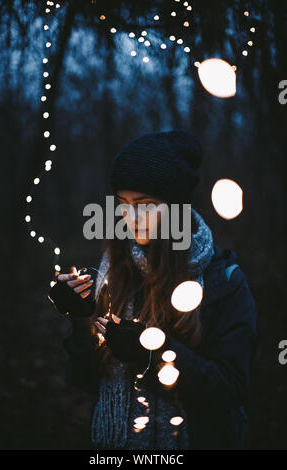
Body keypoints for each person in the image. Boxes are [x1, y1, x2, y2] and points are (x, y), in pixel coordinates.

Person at [56, 130, 259, 450]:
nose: (130, 217)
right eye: (122, 204)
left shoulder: (225, 281)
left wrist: (152, 355)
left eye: (145, 204)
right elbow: (85, 379)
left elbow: (231, 389)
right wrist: (82, 317)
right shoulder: (113, 270)